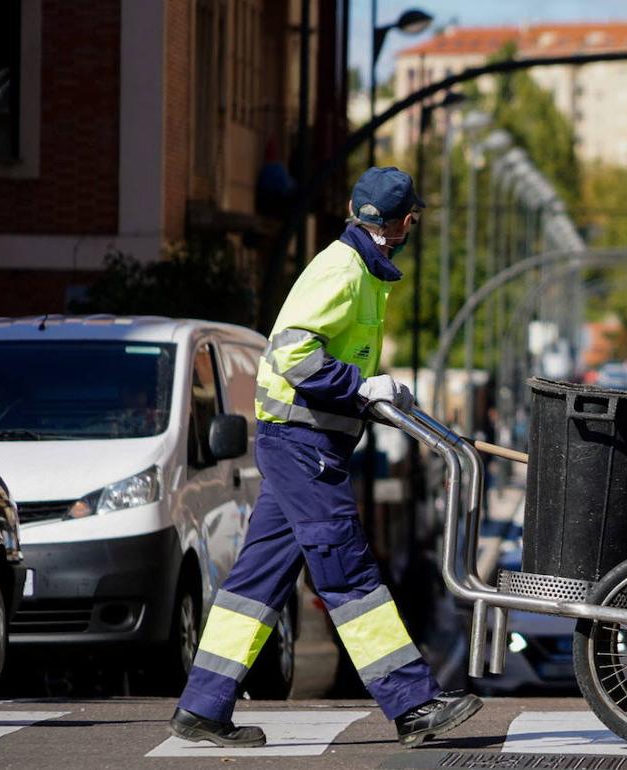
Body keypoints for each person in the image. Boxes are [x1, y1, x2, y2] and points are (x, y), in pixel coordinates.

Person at [169, 167, 482, 748]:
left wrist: (378, 393)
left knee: (257, 580)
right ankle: (412, 704)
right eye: (413, 218)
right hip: (302, 443)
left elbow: (326, 355)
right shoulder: (342, 270)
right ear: (404, 222)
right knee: (347, 568)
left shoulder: (361, 268)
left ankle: (202, 707)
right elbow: (292, 356)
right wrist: (360, 390)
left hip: (303, 442)